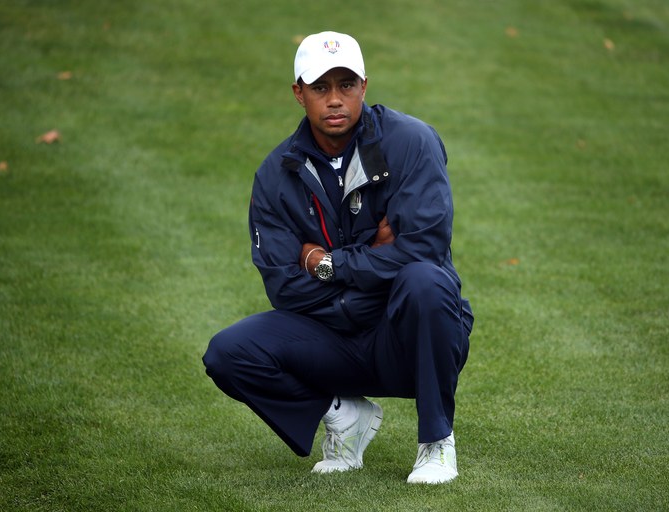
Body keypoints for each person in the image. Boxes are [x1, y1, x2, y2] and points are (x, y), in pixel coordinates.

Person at [203, 31, 473, 484]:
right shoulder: (274, 175)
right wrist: (377, 258)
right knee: (228, 353)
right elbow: (284, 288)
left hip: (406, 337)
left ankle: (436, 443)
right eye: (320, 87)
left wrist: (327, 263)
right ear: (298, 93)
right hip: (331, 338)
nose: (335, 100)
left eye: (346, 86)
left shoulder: (412, 142)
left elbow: (424, 249)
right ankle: (343, 415)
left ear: (364, 87)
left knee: (424, 282)